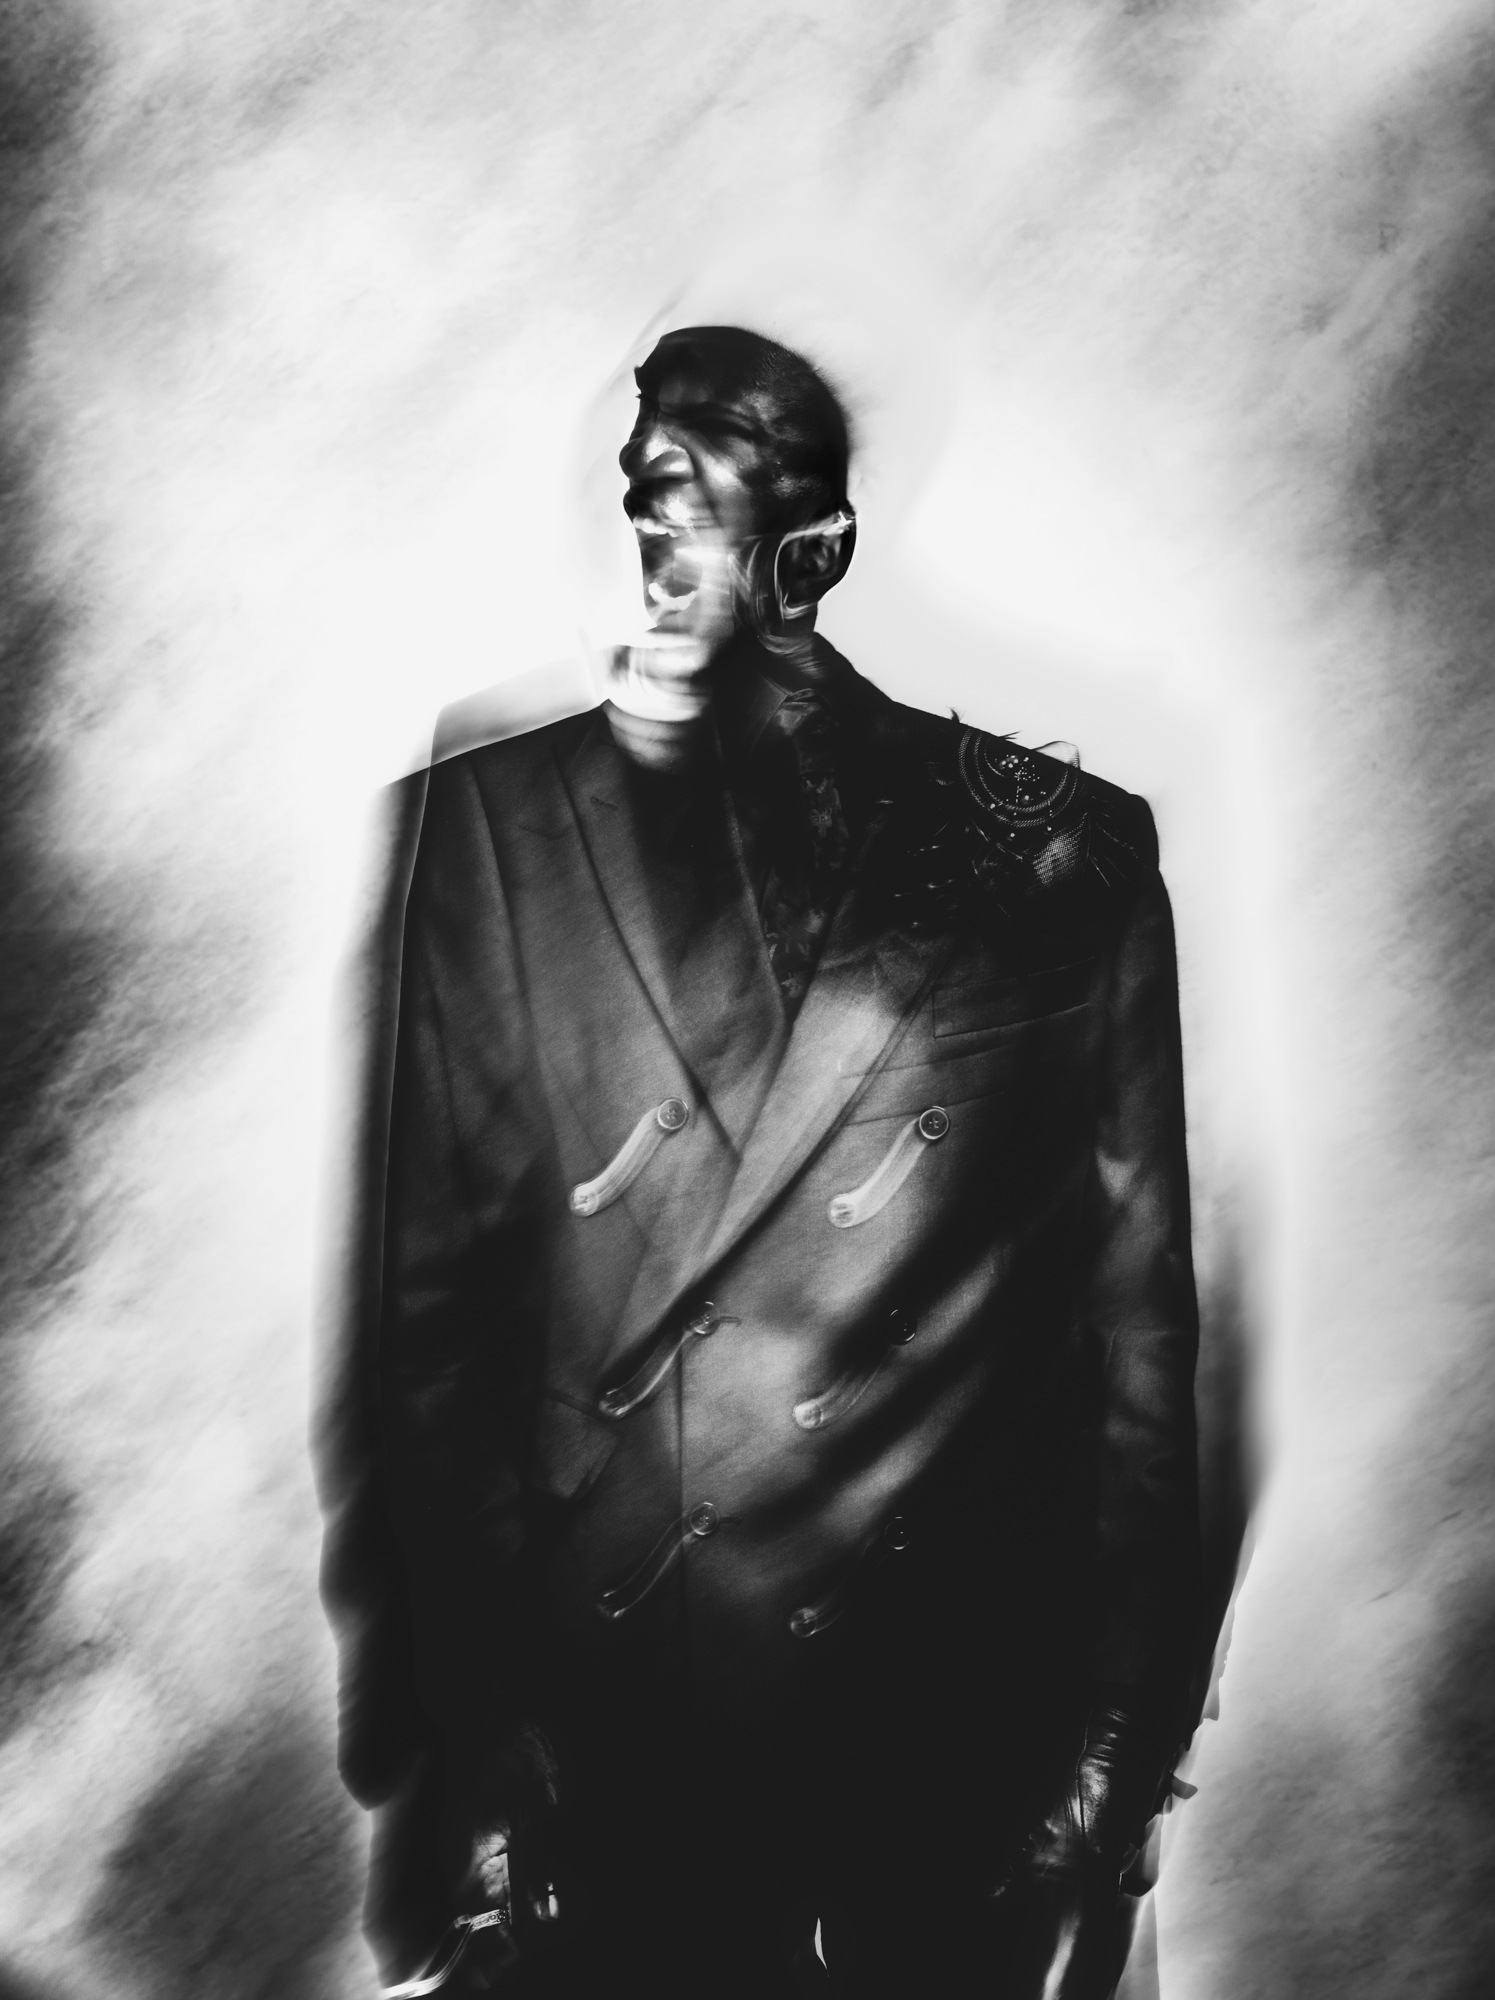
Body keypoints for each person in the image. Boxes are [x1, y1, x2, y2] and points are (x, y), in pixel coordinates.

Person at [318, 324, 1203, 1999]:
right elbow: (430, 1341)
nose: (649, 532)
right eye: (640, 495)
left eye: (691, 495)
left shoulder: (1057, 847)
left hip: (964, 1743)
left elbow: (1136, 1329)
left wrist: (1118, 1746)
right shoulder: (491, 831)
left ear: (816, 552)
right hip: (623, 1733)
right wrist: (466, 1749)